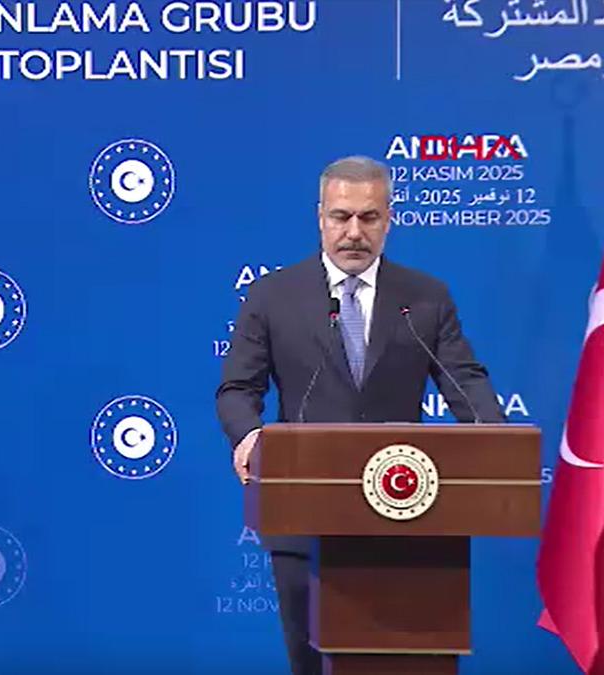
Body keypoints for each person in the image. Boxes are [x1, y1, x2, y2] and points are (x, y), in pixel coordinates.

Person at [214, 156, 505, 675]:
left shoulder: (425, 298)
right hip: (304, 519)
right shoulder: (272, 296)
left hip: (408, 520)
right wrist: (249, 435)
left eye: (368, 217)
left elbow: (465, 380)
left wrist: (497, 440)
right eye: (341, 216)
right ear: (320, 217)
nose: (354, 232)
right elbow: (238, 388)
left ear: (388, 219)